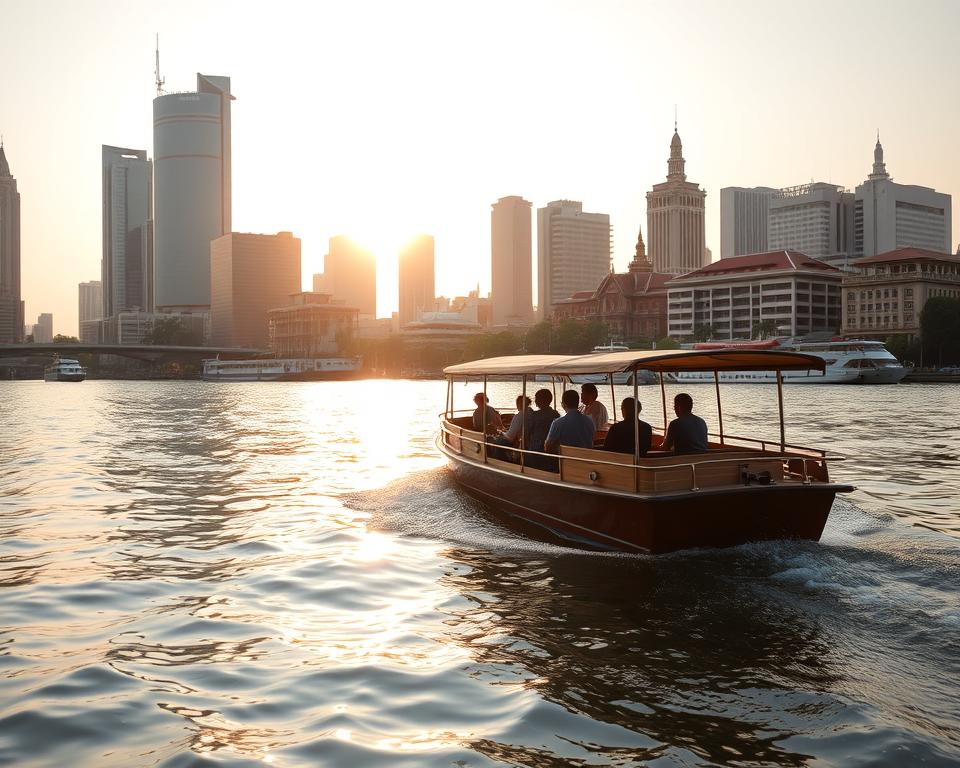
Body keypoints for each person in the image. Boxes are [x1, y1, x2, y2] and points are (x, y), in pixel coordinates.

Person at [544, 389, 596, 455]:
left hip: (567, 461)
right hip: (586, 460)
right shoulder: (589, 421)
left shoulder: (558, 423)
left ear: (563, 404)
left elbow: (547, 447)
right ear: (577, 403)